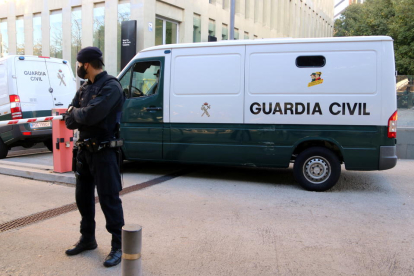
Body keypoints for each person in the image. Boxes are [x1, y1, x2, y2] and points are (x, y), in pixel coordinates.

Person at [64, 46, 125, 268]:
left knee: (109, 200)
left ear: (86, 64)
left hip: (104, 152)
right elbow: (69, 120)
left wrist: (78, 113)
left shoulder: (111, 86)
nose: (78, 68)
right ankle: (87, 238)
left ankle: (119, 246)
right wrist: (79, 114)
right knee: (83, 199)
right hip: (84, 152)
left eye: (79, 65)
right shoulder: (84, 88)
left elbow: (90, 115)